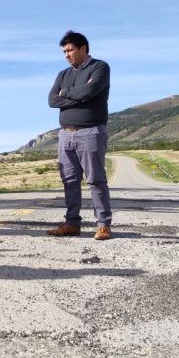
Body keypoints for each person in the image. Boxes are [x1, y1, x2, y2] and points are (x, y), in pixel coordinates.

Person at [47, 30, 113, 240]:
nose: (67, 55)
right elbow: (51, 101)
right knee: (69, 180)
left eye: (70, 50)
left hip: (91, 132)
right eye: (64, 51)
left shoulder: (100, 67)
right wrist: (80, 95)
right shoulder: (63, 75)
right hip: (66, 135)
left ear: (83, 47)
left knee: (95, 180)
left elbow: (89, 91)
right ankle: (71, 223)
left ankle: (103, 225)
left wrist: (65, 93)